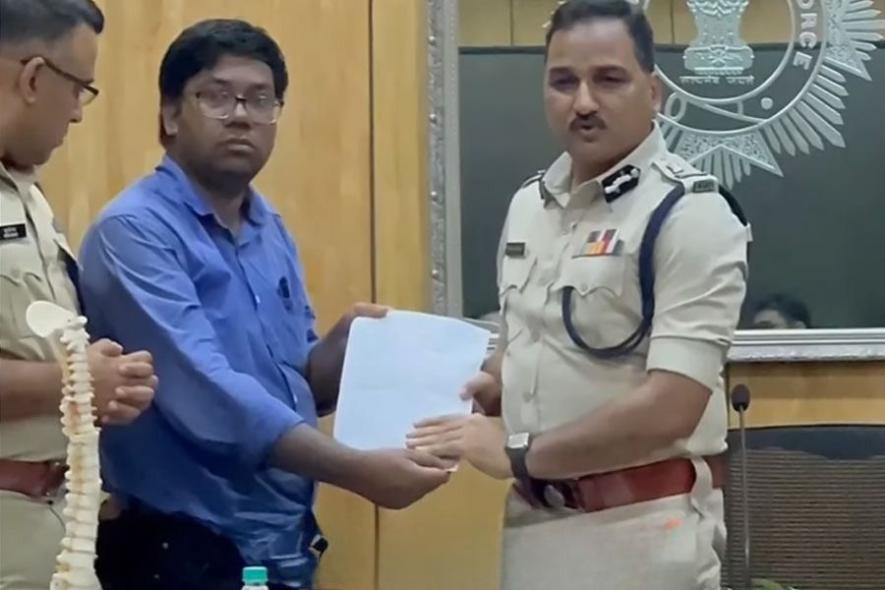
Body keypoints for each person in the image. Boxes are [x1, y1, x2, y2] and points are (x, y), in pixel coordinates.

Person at [77, 19, 450, 590]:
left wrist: (345, 347)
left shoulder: (268, 226)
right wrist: (356, 472)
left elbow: (296, 384)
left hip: (283, 543)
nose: (242, 115)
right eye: (217, 97)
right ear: (171, 115)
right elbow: (209, 396)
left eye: (260, 99)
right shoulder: (135, 231)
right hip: (179, 550)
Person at [408, 1, 751, 589]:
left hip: (645, 531)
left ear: (655, 92)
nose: (583, 102)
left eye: (608, 79)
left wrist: (515, 452)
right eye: (563, 82)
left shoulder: (691, 213)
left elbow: (673, 405)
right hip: (533, 525)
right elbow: (531, 347)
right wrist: (493, 383)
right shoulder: (529, 206)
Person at [0, 1, 157, 588]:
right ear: (34, 77)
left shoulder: (26, 193)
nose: (78, 115)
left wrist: (93, 387)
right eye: (79, 89)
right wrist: (74, 381)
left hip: (55, 524)